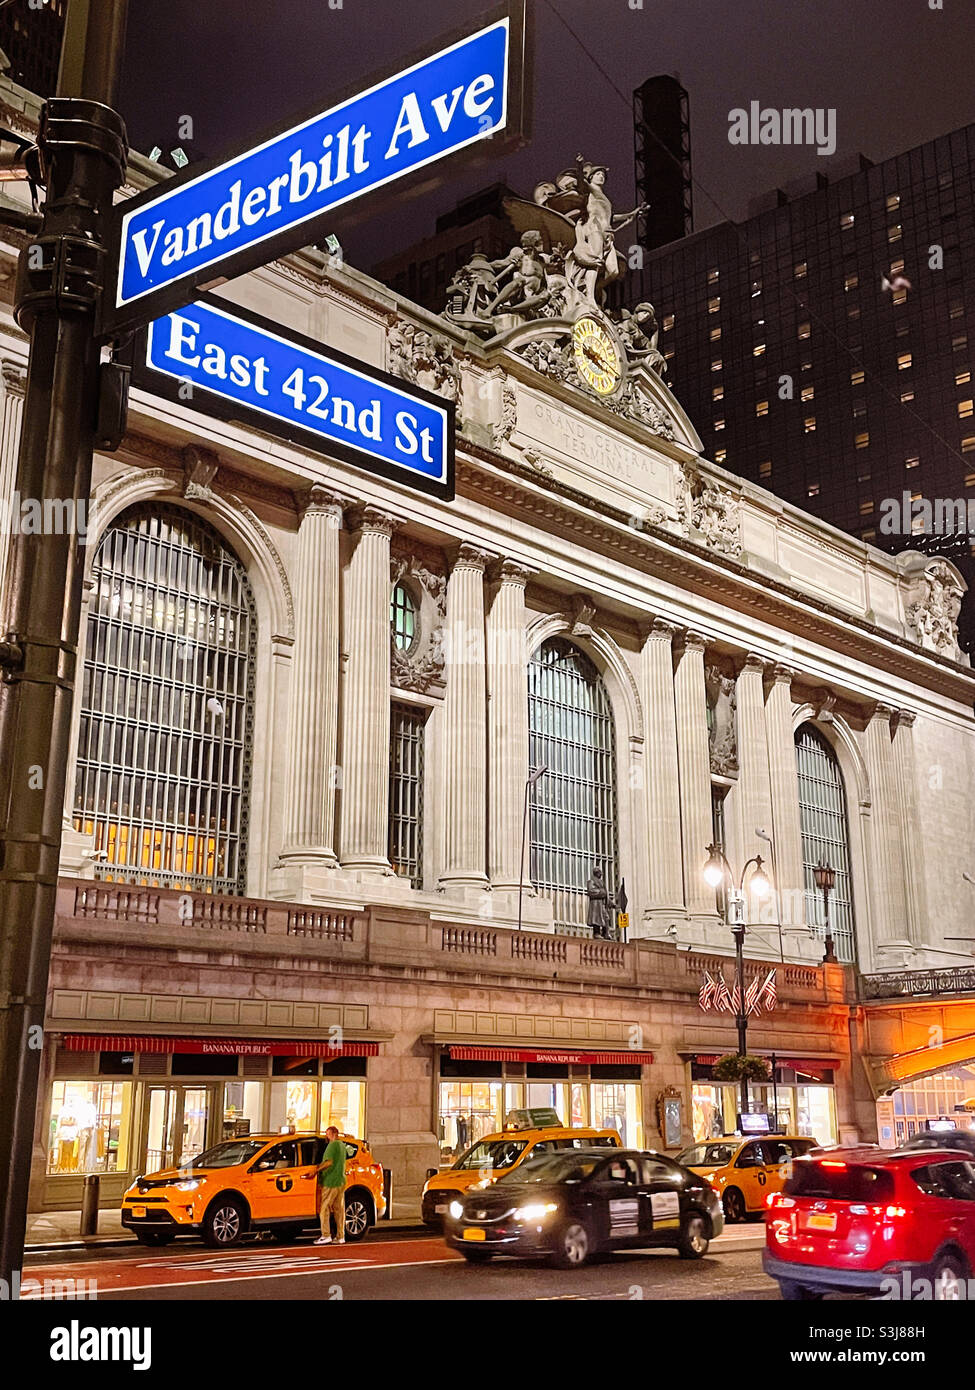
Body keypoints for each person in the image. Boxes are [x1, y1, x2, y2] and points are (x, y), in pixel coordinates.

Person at [314, 1125, 347, 1246]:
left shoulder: (332, 1145)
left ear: (333, 1134)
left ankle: (326, 1235)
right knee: (339, 1209)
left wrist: (317, 1169)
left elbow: (329, 1162)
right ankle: (340, 1236)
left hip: (331, 1181)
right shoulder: (342, 1145)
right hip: (341, 1181)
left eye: (327, 1134)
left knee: (324, 1208)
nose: (326, 1136)